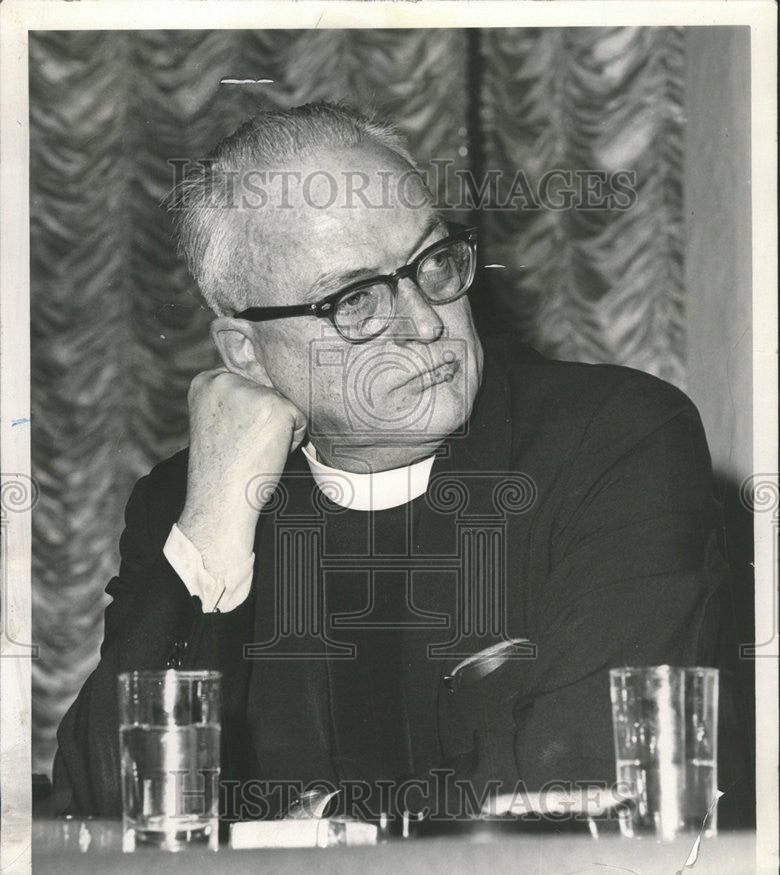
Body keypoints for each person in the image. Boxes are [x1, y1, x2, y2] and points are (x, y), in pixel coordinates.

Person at [53, 102, 728, 823]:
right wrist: (215, 518)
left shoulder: (611, 438)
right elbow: (100, 810)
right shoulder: (185, 499)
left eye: (432, 263)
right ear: (247, 353)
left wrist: (315, 823)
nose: (427, 323)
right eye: (354, 300)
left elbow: (585, 792)